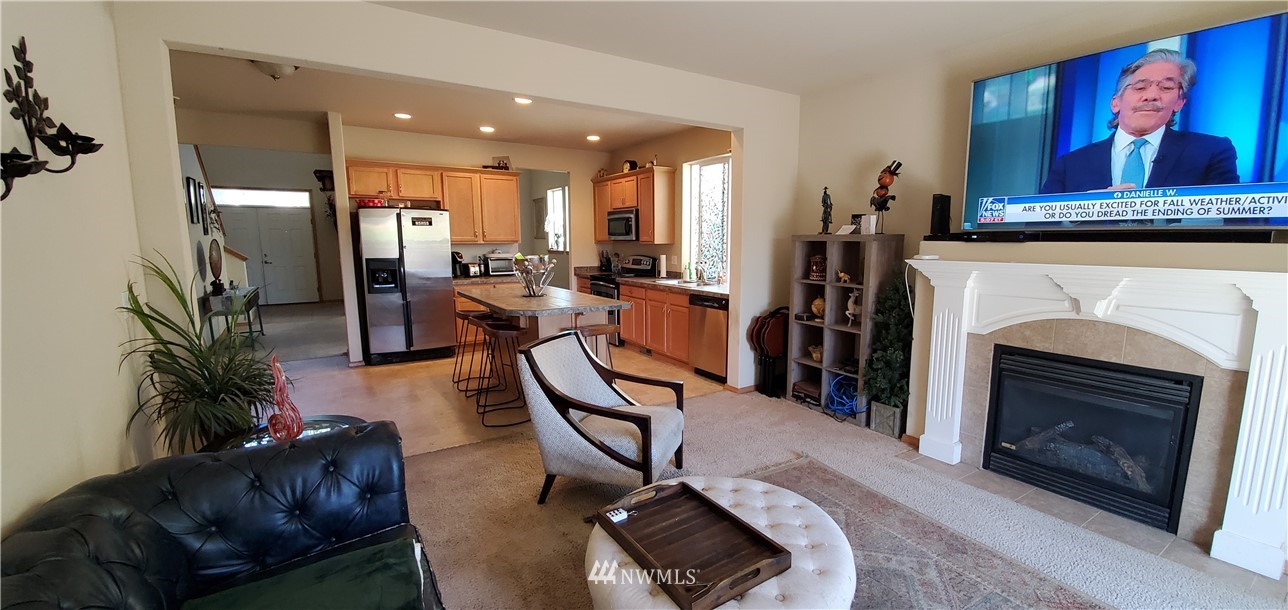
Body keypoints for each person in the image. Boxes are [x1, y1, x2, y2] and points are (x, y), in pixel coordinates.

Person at [1040, 49, 1238, 195]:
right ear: (1115, 103)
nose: (1151, 96)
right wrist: (1085, 210)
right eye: (1140, 87)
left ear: (1179, 102)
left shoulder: (1211, 152)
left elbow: (1229, 221)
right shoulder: (1071, 164)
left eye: (1166, 88)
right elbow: (1035, 225)